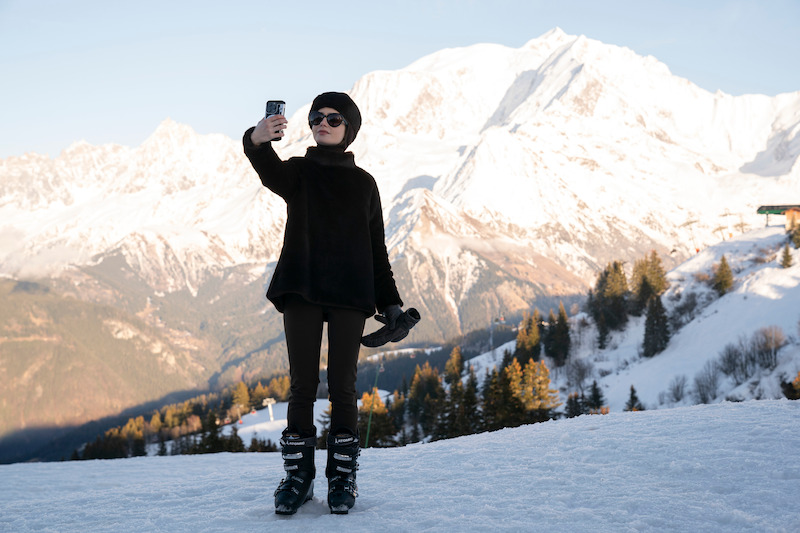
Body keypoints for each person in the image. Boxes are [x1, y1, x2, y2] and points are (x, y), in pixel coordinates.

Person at [243, 92, 406, 515]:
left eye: (334, 118)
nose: (323, 123)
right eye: (317, 117)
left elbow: (377, 252)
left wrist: (391, 305)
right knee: (302, 386)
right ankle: (298, 478)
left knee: (342, 387)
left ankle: (342, 478)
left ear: (349, 128)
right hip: (302, 289)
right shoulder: (298, 172)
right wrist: (257, 139)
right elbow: (267, 168)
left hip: (351, 295)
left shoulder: (365, 184)